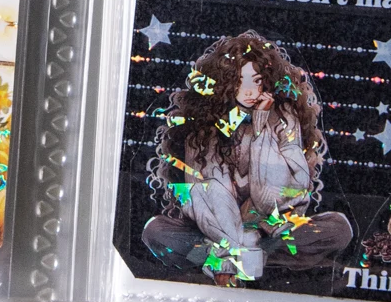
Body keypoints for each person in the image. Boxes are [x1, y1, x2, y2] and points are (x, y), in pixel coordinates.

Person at [143, 31, 353, 285]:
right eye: (240, 81)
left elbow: (286, 192)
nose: (250, 91)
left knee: (338, 228)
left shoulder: (283, 118)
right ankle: (245, 258)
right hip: (217, 231)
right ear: (224, 83)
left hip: (270, 228)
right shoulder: (203, 127)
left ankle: (234, 260)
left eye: (257, 80)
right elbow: (204, 195)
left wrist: (262, 128)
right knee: (156, 231)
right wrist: (234, 237)